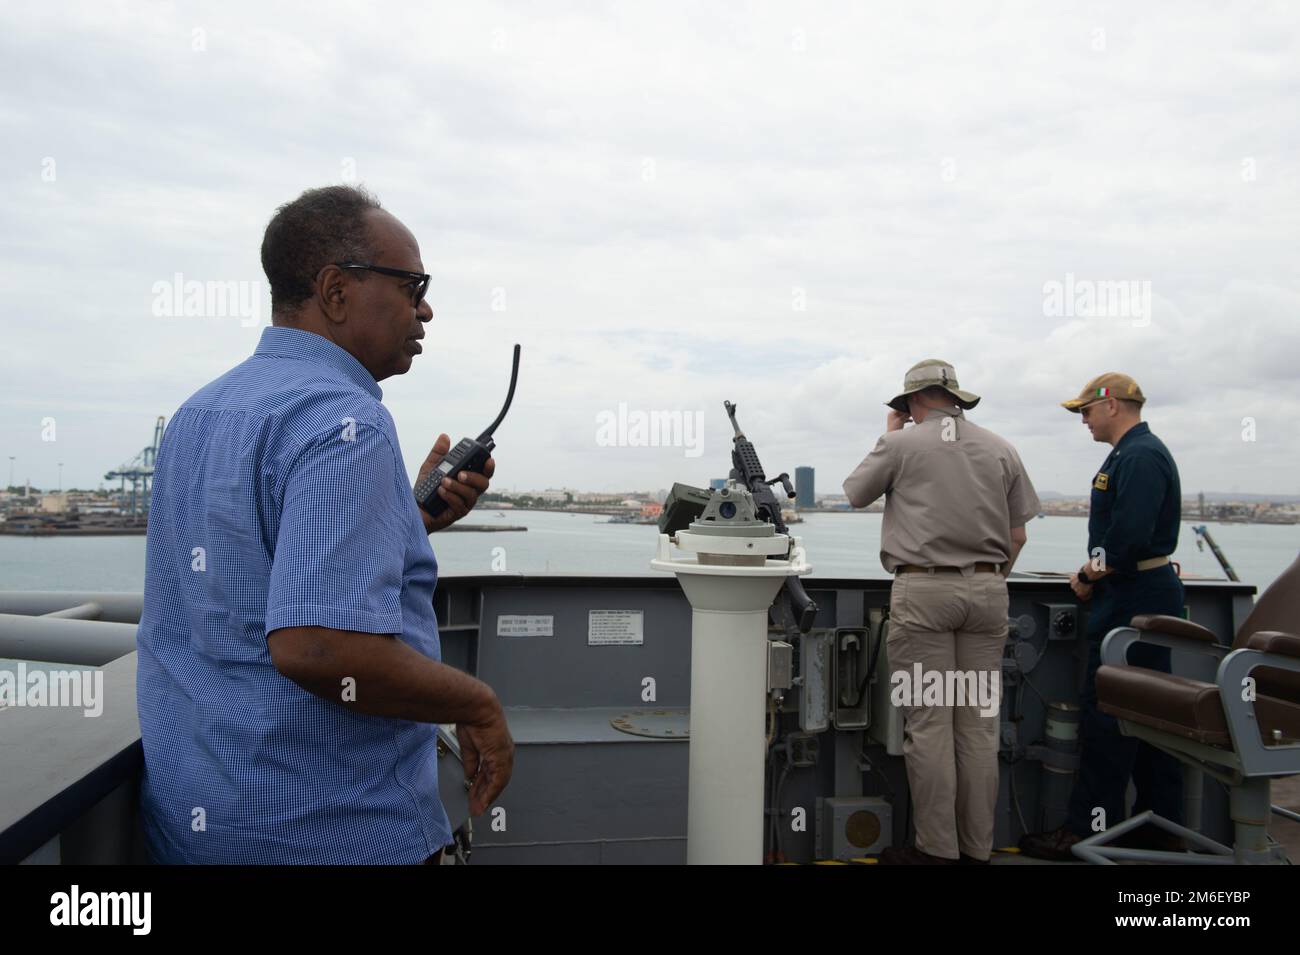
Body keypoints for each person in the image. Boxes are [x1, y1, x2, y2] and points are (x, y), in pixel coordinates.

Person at [136, 185, 514, 864]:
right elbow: (316, 647)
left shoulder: (198, 413)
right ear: (336, 291)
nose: (425, 309)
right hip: (332, 831)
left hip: (198, 827)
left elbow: (248, 582)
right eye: (412, 285)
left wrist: (404, 521)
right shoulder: (349, 423)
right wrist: (479, 704)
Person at [843, 359, 1039, 864]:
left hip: (926, 594)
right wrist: (988, 581)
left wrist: (888, 435)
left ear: (911, 402)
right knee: (977, 727)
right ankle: (978, 850)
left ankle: (937, 852)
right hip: (989, 593)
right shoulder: (1001, 448)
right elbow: (1017, 535)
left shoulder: (900, 444)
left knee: (929, 725)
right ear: (956, 398)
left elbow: (854, 494)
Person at [1019, 373, 1184, 860]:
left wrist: (1088, 577)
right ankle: (1159, 829)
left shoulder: (1138, 456)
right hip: (1140, 594)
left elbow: (1128, 536)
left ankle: (1085, 832)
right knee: (1148, 716)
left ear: (1111, 405)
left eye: (1086, 411)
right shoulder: (1133, 453)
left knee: (1110, 715)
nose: (1084, 421)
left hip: (1134, 598)